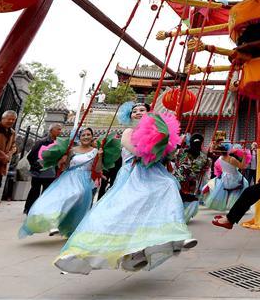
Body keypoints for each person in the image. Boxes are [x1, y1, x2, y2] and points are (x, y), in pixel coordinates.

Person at [54, 108, 197, 274]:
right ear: (129, 116)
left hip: (154, 173)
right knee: (118, 212)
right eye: (134, 111)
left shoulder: (158, 131)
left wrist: (166, 145)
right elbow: (136, 151)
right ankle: (78, 252)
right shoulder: (128, 132)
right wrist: (153, 150)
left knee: (169, 187)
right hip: (132, 175)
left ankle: (176, 237)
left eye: (142, 110)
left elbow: (167, 155)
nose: (138, 112)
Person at [20, 127, 102, 238]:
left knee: (76, 197)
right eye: (83, 135)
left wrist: (100, 156)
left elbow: (97, 169)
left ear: (92, 137)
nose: (86, 137)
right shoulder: (72, 150)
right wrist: (61, 161)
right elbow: (65, 166)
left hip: (84, 179)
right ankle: (53, 222)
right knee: (59, 198)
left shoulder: (95, 152)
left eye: (88, 134)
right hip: (67, 178)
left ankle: (69, 227)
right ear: (79, 137)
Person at [23, 124, 63, 214]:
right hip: (38, 172)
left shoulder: (59, 144)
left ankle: (41, 210)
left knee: (46, 193)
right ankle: (28, 209)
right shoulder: (41, 142)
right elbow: (31, 156)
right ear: (51, 130)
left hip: (51, 173)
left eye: (60, 130)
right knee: (34, 191)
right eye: (58, 129)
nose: (60, 131)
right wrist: (37, 166)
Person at [173, 133, 210, 222]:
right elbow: (204, 171)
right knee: (190, 199)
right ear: (201, 143)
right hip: (192, 184)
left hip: (178, 180)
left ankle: (175, 217)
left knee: (178, 198)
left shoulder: (181, 152)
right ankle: (184, 217)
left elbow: (176, 162)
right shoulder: (204, 158)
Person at [204, 143, 248, 211]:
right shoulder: (231, 159)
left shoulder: (220, 158)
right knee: (245, 183)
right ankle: (237, 204)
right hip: (234, 178)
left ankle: (231, 203)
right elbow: (242, 166)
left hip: (225, 178)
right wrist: (244, 156)